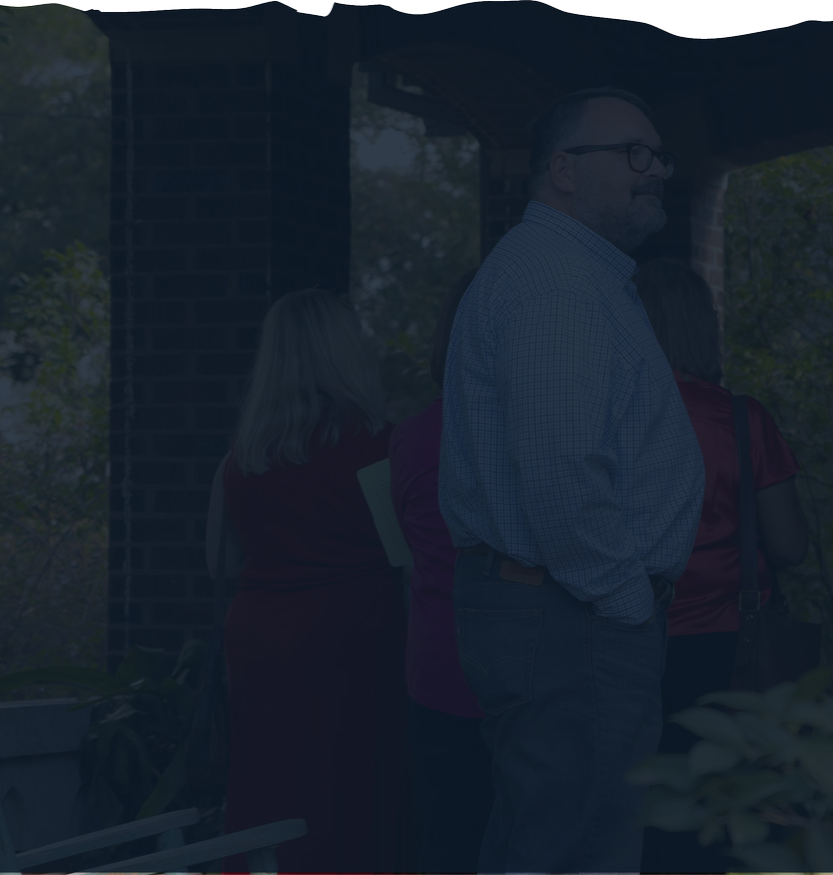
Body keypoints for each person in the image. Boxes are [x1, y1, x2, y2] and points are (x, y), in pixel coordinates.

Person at [439, 86, 707, 874]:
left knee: (553, 841)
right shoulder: (556, 283)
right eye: (632, 153)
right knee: (577, 850)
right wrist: (627, 603)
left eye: (656, 154)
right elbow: (561, 479)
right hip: (574, 613)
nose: (654, 169)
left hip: (567, 610)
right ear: (562, 170)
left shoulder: (574, 275)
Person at [628, 256, 810, 872]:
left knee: (650, 820)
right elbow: (788, 546)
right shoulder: (742, 418)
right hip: (735, 648)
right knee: (736, 820)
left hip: (632, 644)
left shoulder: (611, 421)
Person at [215, 288, 406, 872]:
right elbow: (407, 558)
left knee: (269, 790)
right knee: (356, 794)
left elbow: (219, 563)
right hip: (358, 640)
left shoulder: (242, 456)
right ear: (346, 352)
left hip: (261, 645)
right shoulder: (381, 447)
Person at [388, 268, 488, 873]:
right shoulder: (533, 435)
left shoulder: (410, 438)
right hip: (520, 674)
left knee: (447, 842)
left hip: (434, 669)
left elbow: (403, 550)